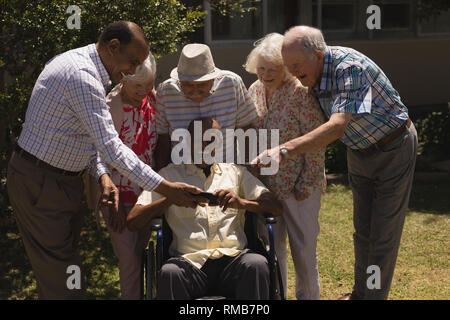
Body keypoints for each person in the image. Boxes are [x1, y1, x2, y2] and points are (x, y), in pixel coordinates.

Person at [7, 21, 206, 300]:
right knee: (64, 278)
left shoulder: (87, 69)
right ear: (113, 47)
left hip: (57, 182)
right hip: (41, 182)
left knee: (59, 273)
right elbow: (111, 147)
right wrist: (166, 187)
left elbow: (84, 138)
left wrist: (102, 176)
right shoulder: (82, 77)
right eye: (133, 61)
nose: (135, 70)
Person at [252, 26, 418, 300]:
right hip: (360, 150)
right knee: (363, 231)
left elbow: (337, 126)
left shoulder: (349, 68)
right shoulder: (311, 76)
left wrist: (284, 150)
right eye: (288, 66)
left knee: (383, 234)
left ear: (317, 55)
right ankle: (360, 293)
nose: (292, 72)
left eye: (295, 65)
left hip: (393, 148)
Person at [127, 117, 283, 300]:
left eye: (211, 140)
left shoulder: (235, 173)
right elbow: (133, 221)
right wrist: (170, 199)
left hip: (234, 261)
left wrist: (242, 203)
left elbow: (276, 208)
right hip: (188, 263)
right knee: (169, 273)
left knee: (256, 264)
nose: (205, 146)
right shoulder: (169, 176)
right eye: (199, 139)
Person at [245, 32, 326, 300]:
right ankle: (275, 296)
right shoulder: (254, 90)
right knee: (270, 248)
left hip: (299, 184)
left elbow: (316, 140)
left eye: (273, 70)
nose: (266, 75)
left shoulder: (300, 93)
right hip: (267, 187)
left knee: (303, 250)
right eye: (261, 69)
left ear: (287, 69)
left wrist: (308, 182)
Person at [85, 52, 158, 299]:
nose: (143, 91)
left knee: (142, 254)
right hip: (116, 196)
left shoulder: (153, 100)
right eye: (138, 86)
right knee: (128, 259)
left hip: (145, 195)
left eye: (148, 85)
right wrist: (109, 202)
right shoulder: (110, 106)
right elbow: (95, 153)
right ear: (124, 80)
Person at [154, 43, 258, 170]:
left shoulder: (232, 83)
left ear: (213, 79)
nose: (195, 90)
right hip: (183, 173)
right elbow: (163, 139)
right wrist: (161, 173)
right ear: (179, 81)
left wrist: (248, 169)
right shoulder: (166, 91)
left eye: (201, 84)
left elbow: (246, 129)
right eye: (188, 85)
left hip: (225, 171)